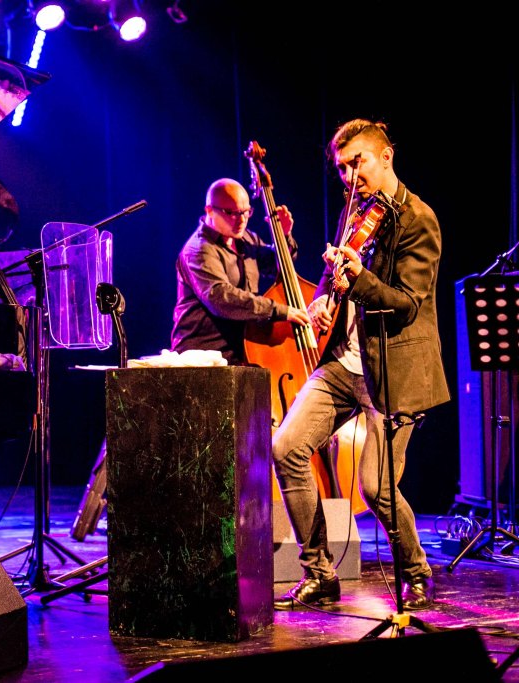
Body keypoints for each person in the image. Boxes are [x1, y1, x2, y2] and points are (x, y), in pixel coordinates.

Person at [272, 119, 449, 611]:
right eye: (342, 169)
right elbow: (339, 279)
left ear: (386, 156)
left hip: (394, 369)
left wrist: (359, 279)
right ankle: (319, 572)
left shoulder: (419, 220)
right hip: (344, 363)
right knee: (286, 447)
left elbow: (407, 303)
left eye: (358, 163)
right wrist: (326, 298)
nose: (349, 177)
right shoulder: (355, 212)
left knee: (376, 487)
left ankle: (416, 571)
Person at [171, 177, 310, 363]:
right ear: (209, 210)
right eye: (232, 213)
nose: (242, 220)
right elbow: (222, 297)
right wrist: (280, 311)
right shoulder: (199, 249)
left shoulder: (246, 238)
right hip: (203, 356)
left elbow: (276, 265)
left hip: (241, 351)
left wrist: (283, 235)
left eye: (246, 212)